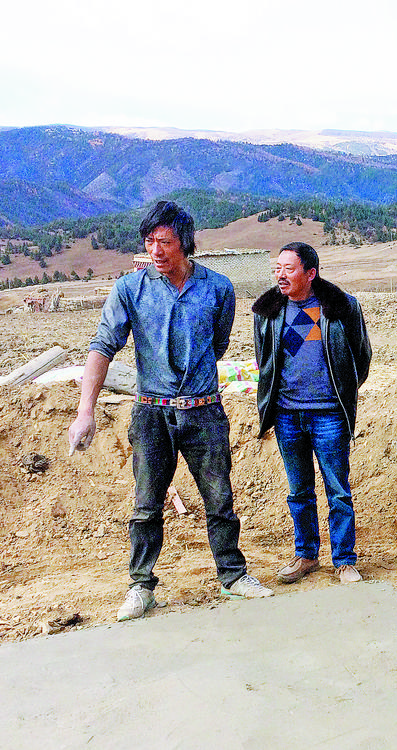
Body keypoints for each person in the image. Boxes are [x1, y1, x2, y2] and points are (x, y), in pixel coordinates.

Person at [68, 200, 272, 622]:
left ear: (185, 242)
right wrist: (85, 410)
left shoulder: (218, 289)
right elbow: (103, 346)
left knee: (220, 498)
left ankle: (233, 576)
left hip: (204, 410)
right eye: (149, 241)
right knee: (146, 504)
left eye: (164, 241)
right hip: (151, 414)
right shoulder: (130, 289)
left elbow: (217, 345)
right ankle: (141, 586)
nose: (155, 250)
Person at [253, 242, 372, 585]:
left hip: (329, 414)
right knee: (299, 491)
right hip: (287, 415)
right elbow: (265, 362)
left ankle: (344, 560)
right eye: (278, 268)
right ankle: (306, 555)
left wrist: (342, 392)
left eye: (289, 269)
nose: (281, 275)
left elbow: (361, 357)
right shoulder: (268, 311)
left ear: (310, 273)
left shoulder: (341, 307)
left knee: (338, 490)